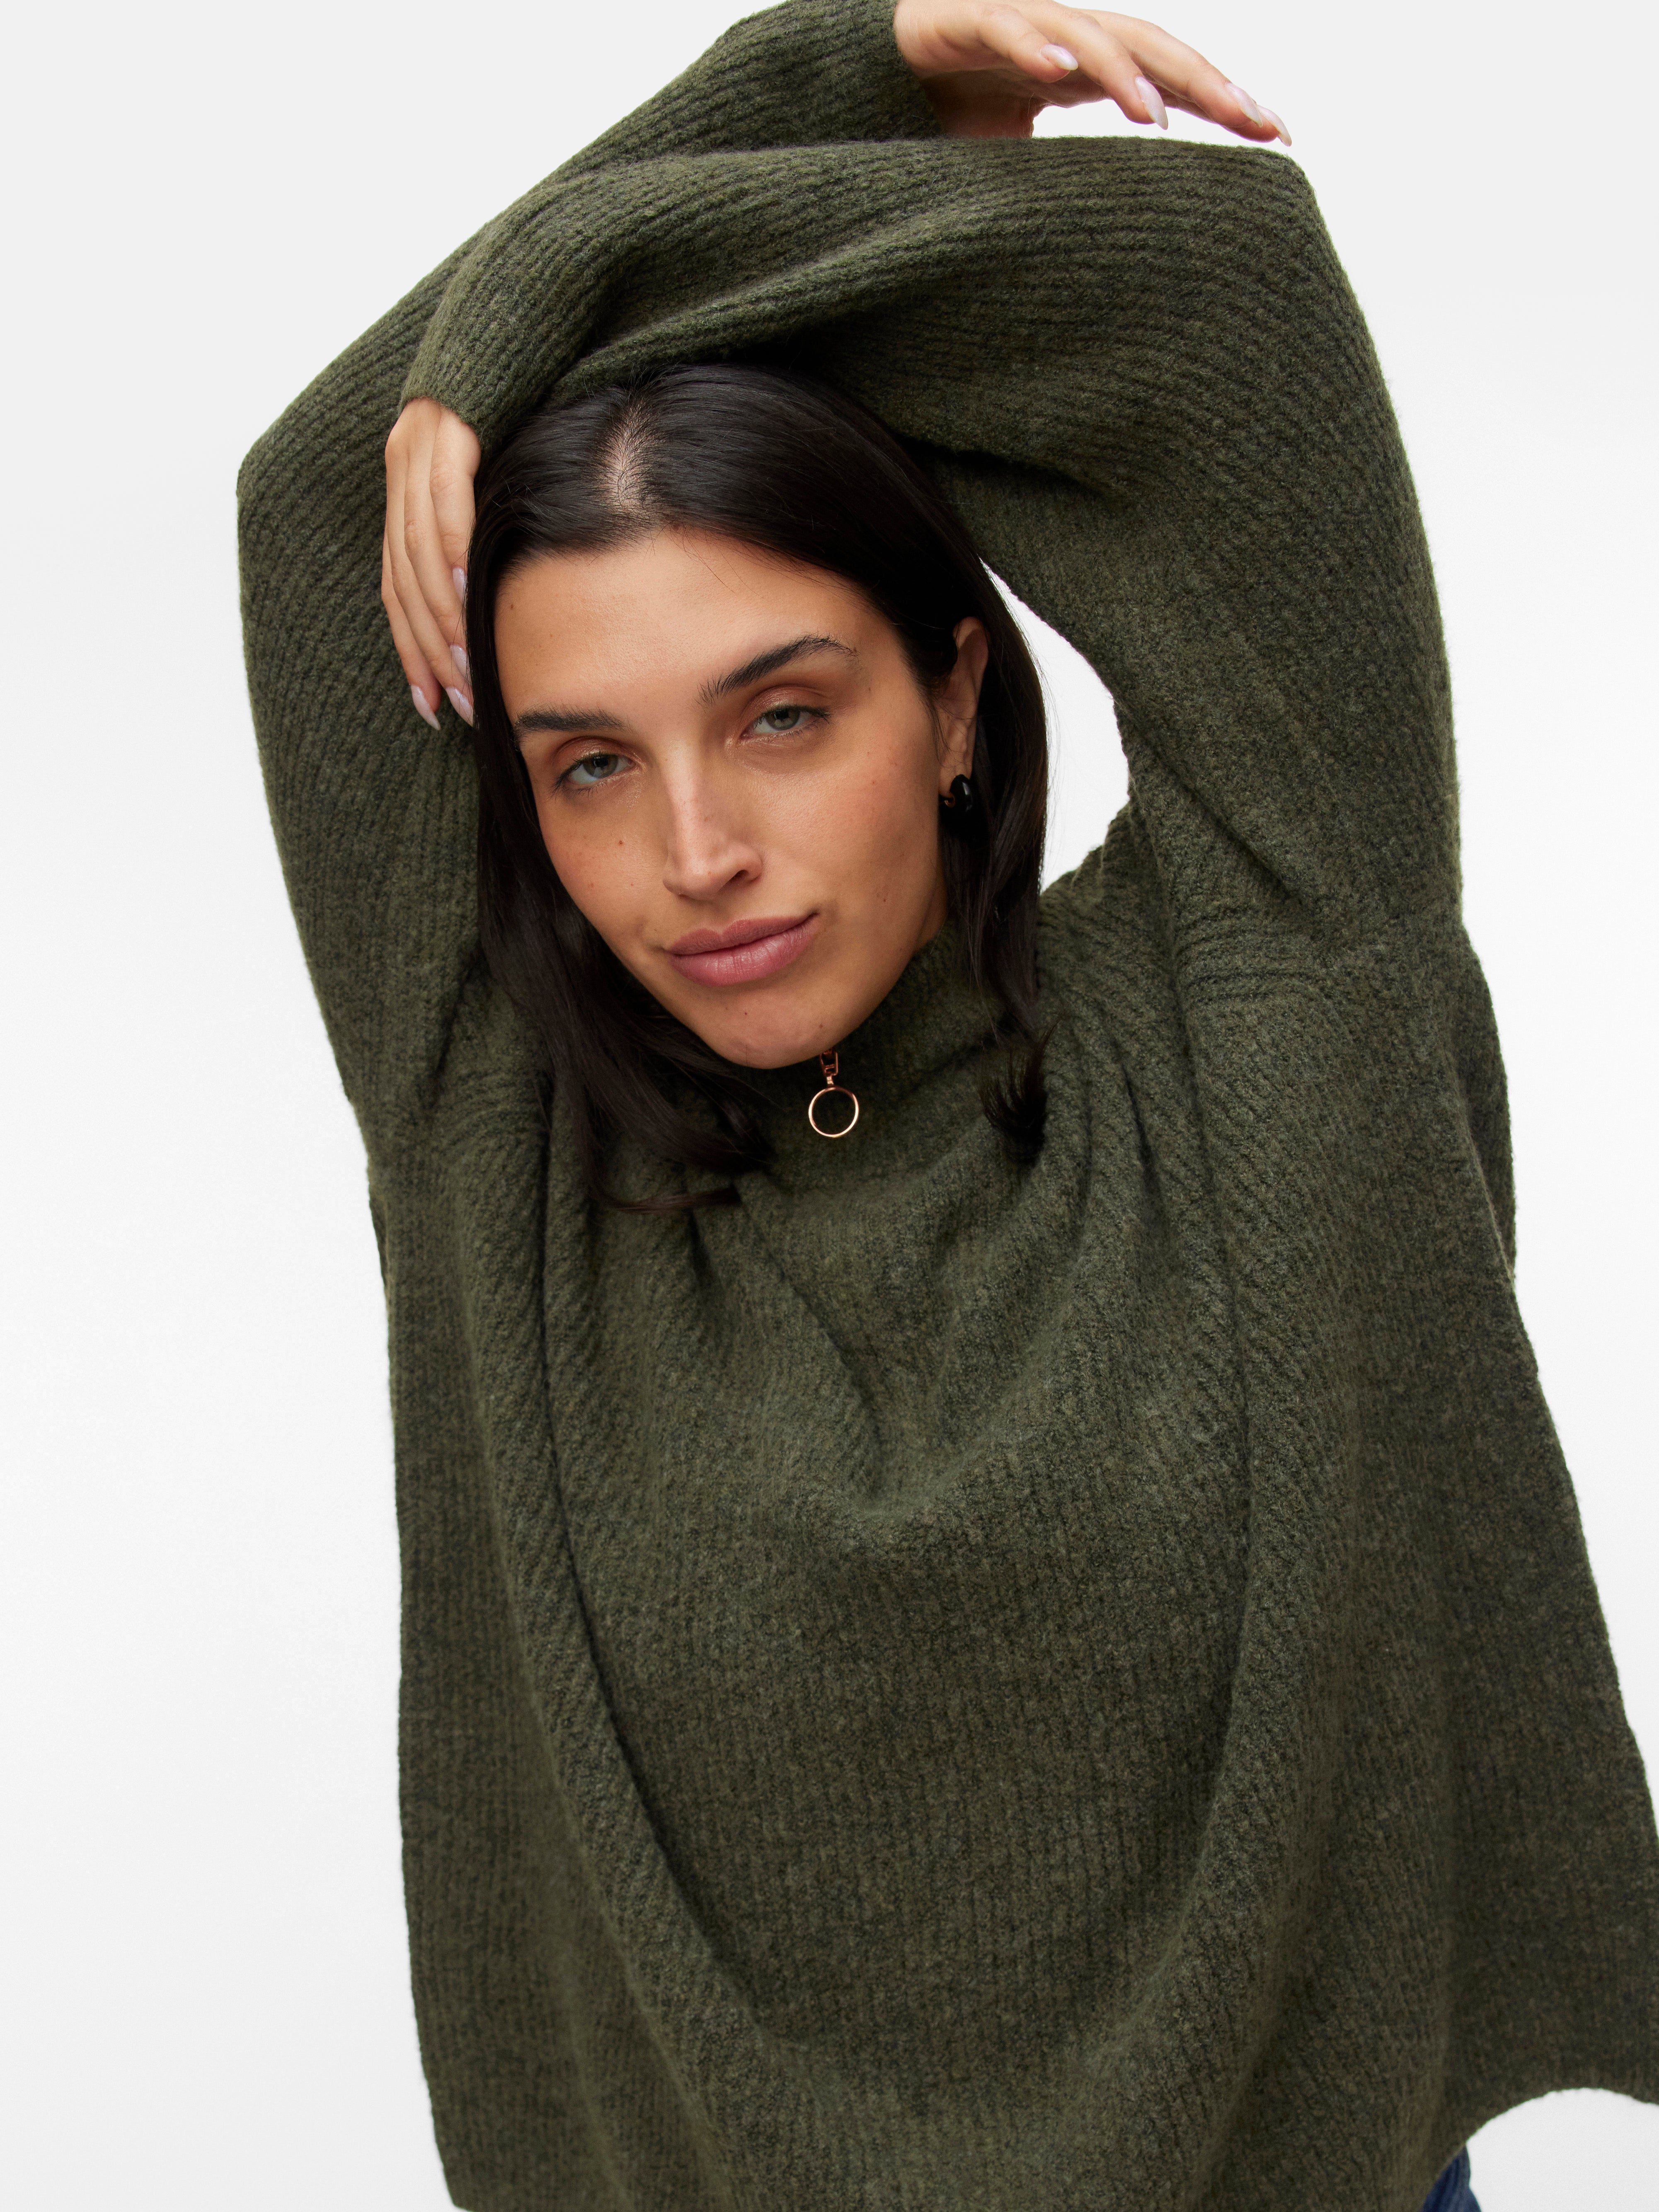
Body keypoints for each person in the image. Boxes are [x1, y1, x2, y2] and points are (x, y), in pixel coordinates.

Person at [236, 3, 1659, 2206]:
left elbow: (1226, 318)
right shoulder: (503, 1150)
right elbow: (328, 505)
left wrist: (858, 83)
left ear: (956, 692)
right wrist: (808, 111)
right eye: (588, 764)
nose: (693, 852)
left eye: (782, 715)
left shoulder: (1275, 985)